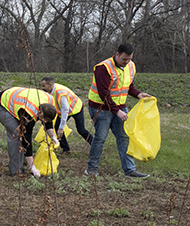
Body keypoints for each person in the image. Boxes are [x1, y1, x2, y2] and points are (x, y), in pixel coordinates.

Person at [86, 43, 152, 178]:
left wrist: (138, 94)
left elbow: (129, 86)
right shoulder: (103, 68)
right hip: (101, 108)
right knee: (100, 138)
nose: (126, 62)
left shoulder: (131, 66)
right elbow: (104, 93)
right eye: (124, 59)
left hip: (119, 107)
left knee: (124, 137)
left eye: (129, 59)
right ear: (117, 55)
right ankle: (91, 170)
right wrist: (117, 111)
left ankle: (130, 170)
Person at [0, 87, 59, 177]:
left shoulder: (50, 102)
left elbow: (48, 122)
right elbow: (26, 141)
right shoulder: (29, 115)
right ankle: (15, 171)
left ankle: (23, 166)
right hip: (1, 104)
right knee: (17, 135)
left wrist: (52, 136)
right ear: (39, 113)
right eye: (44, 119)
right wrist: (33, 167)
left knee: (20, 136)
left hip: (18, 99)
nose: (45, 122)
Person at [41, 77, 92, 154]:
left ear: (50, 85)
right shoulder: (51, 90)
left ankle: (95, 144)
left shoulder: (61, 93)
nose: (42, 88)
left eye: (44, 86)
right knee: (56, 126)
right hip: (64, 110)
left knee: (81, 130)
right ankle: (66, 149)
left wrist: (61, 128)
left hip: (76, 108)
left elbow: (65, 110)